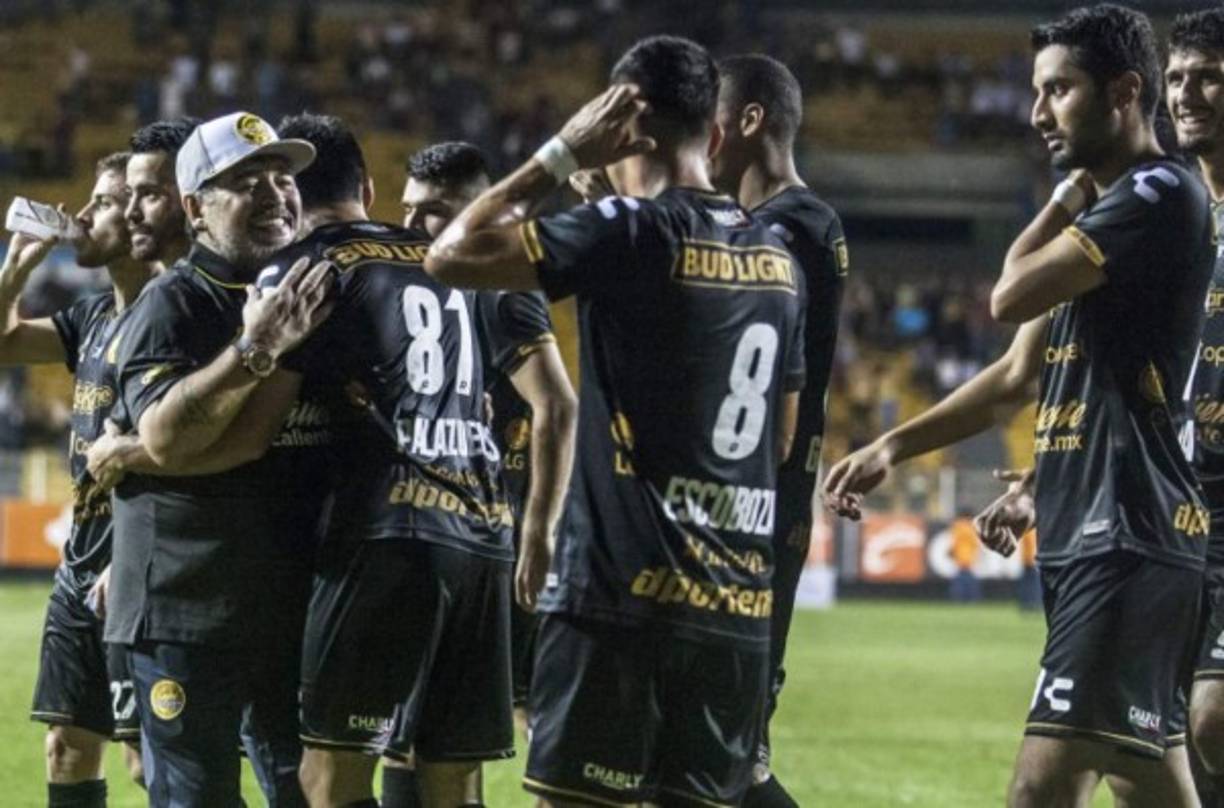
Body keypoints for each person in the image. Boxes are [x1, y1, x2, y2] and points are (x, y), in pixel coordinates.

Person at [825, 5, 1213, 805]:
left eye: (1059, 91)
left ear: (1123, 93)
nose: (1039, 114)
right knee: (1150, 782)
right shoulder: (1112, 225)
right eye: (1037, 93)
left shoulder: (1157, 192)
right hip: (1093, 531)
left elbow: (1006, 291)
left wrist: (1069, 190)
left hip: (1128, 535)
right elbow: (1013, 377)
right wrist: (894, 445)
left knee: (1041, 789)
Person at [426, 34, 807, 808]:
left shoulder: (631, 229)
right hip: (733, 611)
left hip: (620, 602)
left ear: (624, 119)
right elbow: (785, 437)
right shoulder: (778, 257)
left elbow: (451, 253)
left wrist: (561, 153)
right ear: (717, 129)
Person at [259, 113, 521, 808]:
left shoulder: (306, 268)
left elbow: (262, 417)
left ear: (286, 194)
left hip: (389, 535)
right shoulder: (441, 263)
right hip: (483, 529)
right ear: (369, 187)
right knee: (451, 778)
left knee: (330, 777)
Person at [98, 111, 331, 806]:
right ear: (195, 208)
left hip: (288, 603)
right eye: (244, 182)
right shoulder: (170, 304)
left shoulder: (308, 292)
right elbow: (170, 436)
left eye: (281, 178)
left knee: (309, 792)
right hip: (186, 609)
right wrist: (253, 351)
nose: (274, 194)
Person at [376, 140, 577, 808]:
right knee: (419, 740)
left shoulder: (493, 291)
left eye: (430, 213)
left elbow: (557, 404)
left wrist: (538, 531)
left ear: (472, 210)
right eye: (406, 209)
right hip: (454, 540)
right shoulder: (425, 291)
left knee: (494, 742)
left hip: (501, 551)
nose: (410, 228)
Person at [709, 52, 847, 808]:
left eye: (710, 127)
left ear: (749, 121)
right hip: (754, 507)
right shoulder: (793, 224)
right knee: (710, 752)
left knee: (730, 758)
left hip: (756, 509)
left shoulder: (790, 229)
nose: (703, 148)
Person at [9, 151, 156, 807]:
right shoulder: (92, 315)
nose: (84, 213)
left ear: (144, 210)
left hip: (144, 560)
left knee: (148, 761)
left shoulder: (177, 310)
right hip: (83, 559)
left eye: (102, 201)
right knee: (67, 746)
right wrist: (16, 269)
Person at [1165, 8, 1224, 802]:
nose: (1188, 92)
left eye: (1208, 73)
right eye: (1176, 76)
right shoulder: (1173, 220)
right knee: (1164, 737)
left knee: (1212, 718)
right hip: (1173, 508)